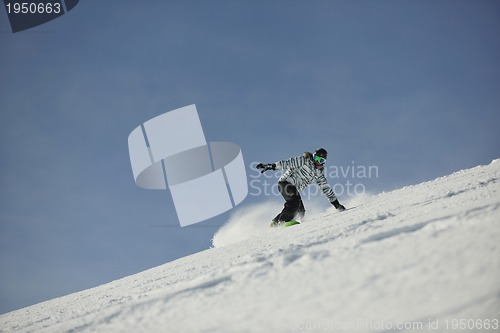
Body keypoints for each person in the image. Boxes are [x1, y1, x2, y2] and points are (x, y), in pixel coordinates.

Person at [256, 148, 346, 227]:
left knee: (301, 212)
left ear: (324, 162)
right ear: (313, 156)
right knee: (294, 201)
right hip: (285, 183)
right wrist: (271, 166)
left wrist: (337, 205)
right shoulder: (303, 160)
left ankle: (275, 222)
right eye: (316, 158)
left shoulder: (319, 175)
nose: (318, 162)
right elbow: (287, 163)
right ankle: (283, 221)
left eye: (321, 160)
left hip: (294, 189)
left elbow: (326, 189)